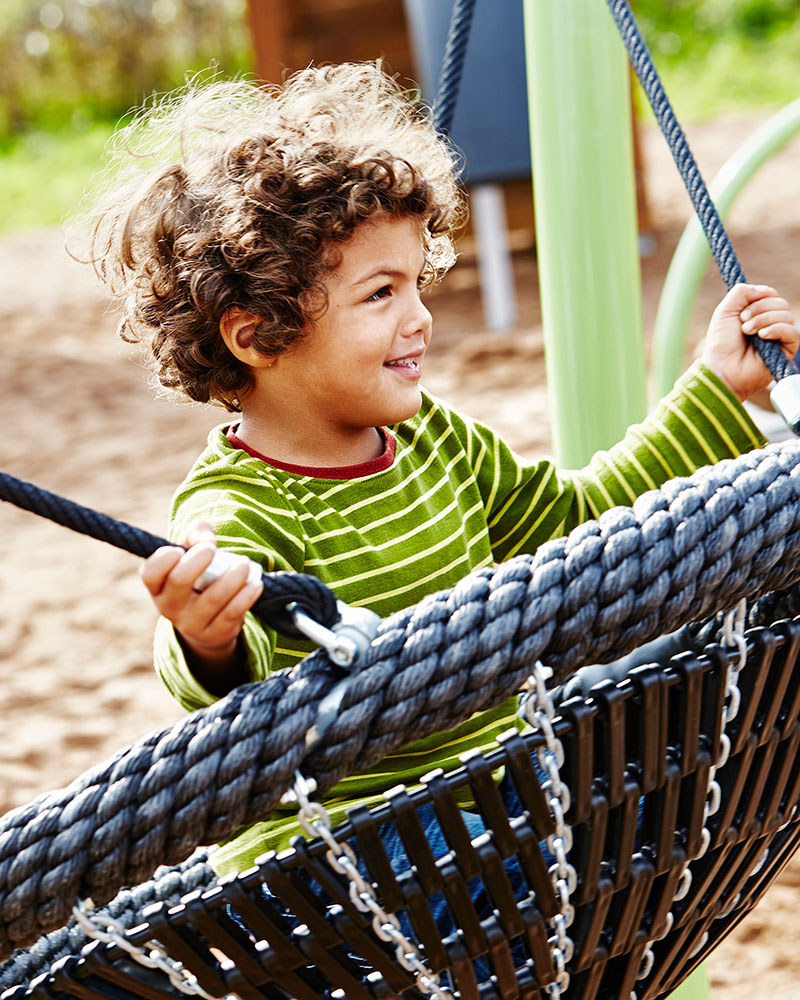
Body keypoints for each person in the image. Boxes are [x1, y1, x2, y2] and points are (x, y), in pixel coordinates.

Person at [83, 63, 797, 882]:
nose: (421, 316)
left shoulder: (431, 438)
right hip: (351, 866)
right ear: (258, 335)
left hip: (488, 815)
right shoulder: (240, 505)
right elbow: (232, 701)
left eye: (416, 283)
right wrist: (204, 637)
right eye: (381, 293)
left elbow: (579, 522)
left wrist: (714, 391)